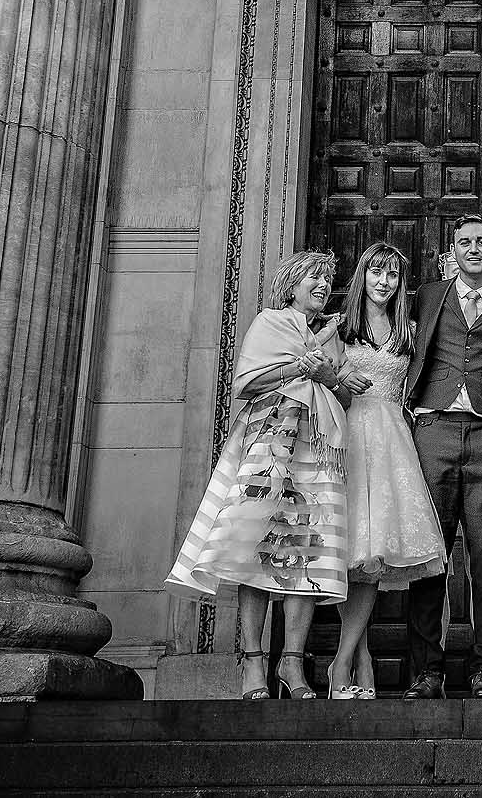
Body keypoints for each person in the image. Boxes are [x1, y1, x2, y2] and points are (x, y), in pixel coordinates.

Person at [167, 250, 351, 700]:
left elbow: (342, 398)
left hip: (315, 451)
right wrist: (297, 367)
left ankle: (292, 664)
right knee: (256, 551)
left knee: (308, 554)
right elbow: (244, 385)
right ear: (291, 285)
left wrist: (328, 373)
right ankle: (253, 665)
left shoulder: (329, 336)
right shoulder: (270, 322)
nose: (323, 284)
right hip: (270, 448)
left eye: (328, 279)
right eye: (314, 277)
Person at [399, 213, 482, 698]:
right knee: (430, 554)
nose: (473, 249)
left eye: (481, 241)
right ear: (451, 250)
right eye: (464, 242)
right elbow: (393, 343)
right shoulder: (429, 297)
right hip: (433, 429)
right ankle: (426, 671)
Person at [326, 241, 447, 699]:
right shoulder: (338, 328)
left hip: (393, 442)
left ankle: (346, 664)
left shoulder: (410, 332)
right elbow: (307, 372)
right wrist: (337, 379)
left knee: (371, 559)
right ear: (363, 276)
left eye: (393, 274)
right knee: (347, 553)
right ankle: (359, 661)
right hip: (348, 438)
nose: (384, 281)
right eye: (376, 271)